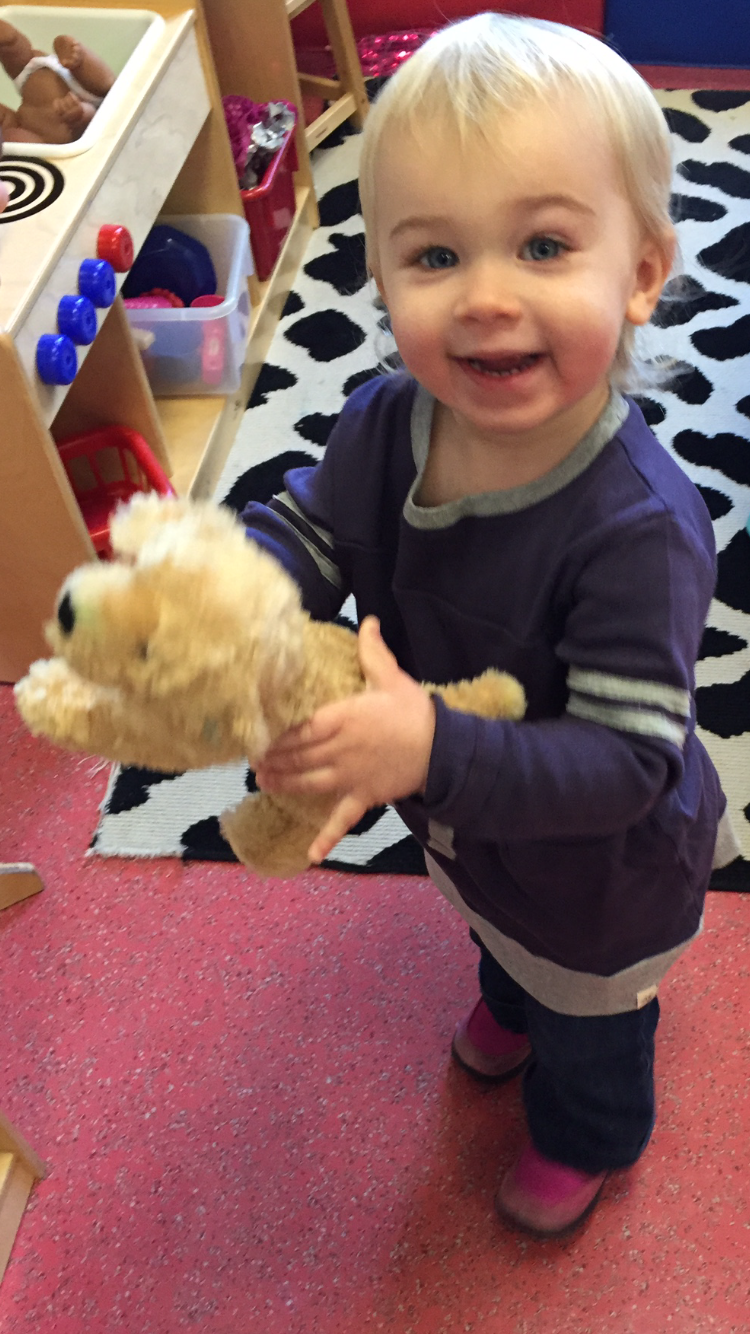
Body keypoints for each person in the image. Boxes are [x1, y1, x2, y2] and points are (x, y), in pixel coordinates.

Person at [242, 13, 738, 1236]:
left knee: (589, 1022)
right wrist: (237, 598)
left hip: (604, 880)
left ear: (641, 273)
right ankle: (512, 997)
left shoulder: (639, 531)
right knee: (494, 932)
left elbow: (625, 763)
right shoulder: (385, 419)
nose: (486, 298)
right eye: (435, 255)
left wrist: (426, 747)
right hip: (471, 833)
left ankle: (588, 1134)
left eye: (544, 244)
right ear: (383, 277)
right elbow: (312, 530)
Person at [0, 19, 114, 144]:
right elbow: (92, 118)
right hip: (83, 107)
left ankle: (12, 41)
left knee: (107, 88)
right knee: (105, 86)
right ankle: (78, 58)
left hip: (33, 80)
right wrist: (81, 113)